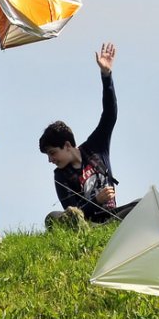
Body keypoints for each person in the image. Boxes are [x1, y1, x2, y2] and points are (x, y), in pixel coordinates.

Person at [39, 43, 139, 229]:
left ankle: (111, 228)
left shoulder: (96, 148)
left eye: (52, 153)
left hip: (111, 216)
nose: (51, 160)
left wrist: (106, 75)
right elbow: (74, 213)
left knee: (142, 204)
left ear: (67, 145)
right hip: (87, 222)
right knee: (52, 217)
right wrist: (96, 199)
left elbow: (110, 114)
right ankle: (100, 230)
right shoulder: (61, 176)